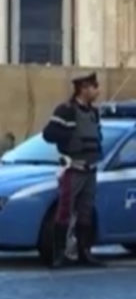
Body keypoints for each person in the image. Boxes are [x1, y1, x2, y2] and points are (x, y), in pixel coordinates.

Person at [42, 72, 104, 268]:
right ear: (83, 88)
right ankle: (59, 254)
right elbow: (49, 133)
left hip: (90, 170)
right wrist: (69, 138)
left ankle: (84, 252)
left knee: (86, 211)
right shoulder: (66, 110)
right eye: (94, 86)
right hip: (73, 169)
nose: (96, 90)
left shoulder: (94, 112)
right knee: (64, 211)